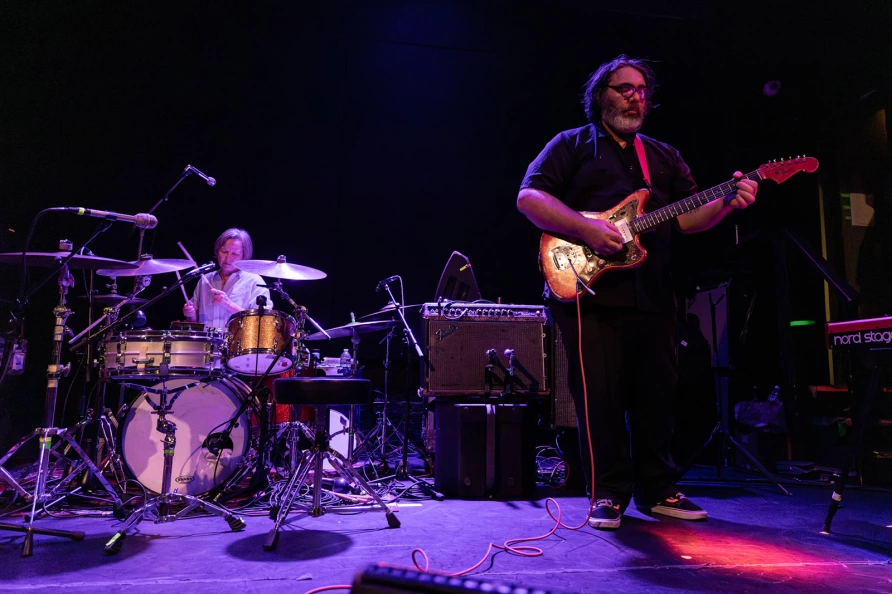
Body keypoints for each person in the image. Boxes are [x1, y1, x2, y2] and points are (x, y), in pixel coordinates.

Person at [516, 55, 758, 530]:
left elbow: (688, 219)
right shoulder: (571, 145)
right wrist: (585, 227)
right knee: (599, 397)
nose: (635, 96)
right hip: (587, 293)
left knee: (657, 394)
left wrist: (726, 203)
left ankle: (658, 489)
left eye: (642, 90)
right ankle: (606, 493)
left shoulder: (663, 155)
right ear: (600, 95)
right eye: (624, 88)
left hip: (652, 293)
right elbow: (529, 198)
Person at [183, 228, 272, 330]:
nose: (228, 258)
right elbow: (193, 323)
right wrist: (191, 314)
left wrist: (228, 304)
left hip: (239, 344)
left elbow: (263, 322)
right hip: (206, 345)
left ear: (244, 255)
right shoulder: (204, 280)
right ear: (217, 251)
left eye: (235, 254)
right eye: (224, 251)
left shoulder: (255, 282)